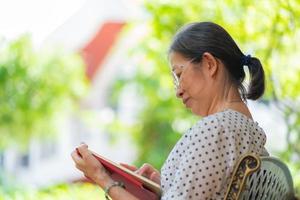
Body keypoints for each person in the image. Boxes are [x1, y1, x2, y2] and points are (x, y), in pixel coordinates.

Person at [71, 21, 269, 200]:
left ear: (209, 64)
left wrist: (102, 179)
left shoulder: (214, 130)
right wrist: (163, 187)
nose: (178, 91)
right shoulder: (250, 132)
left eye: (179, 74)